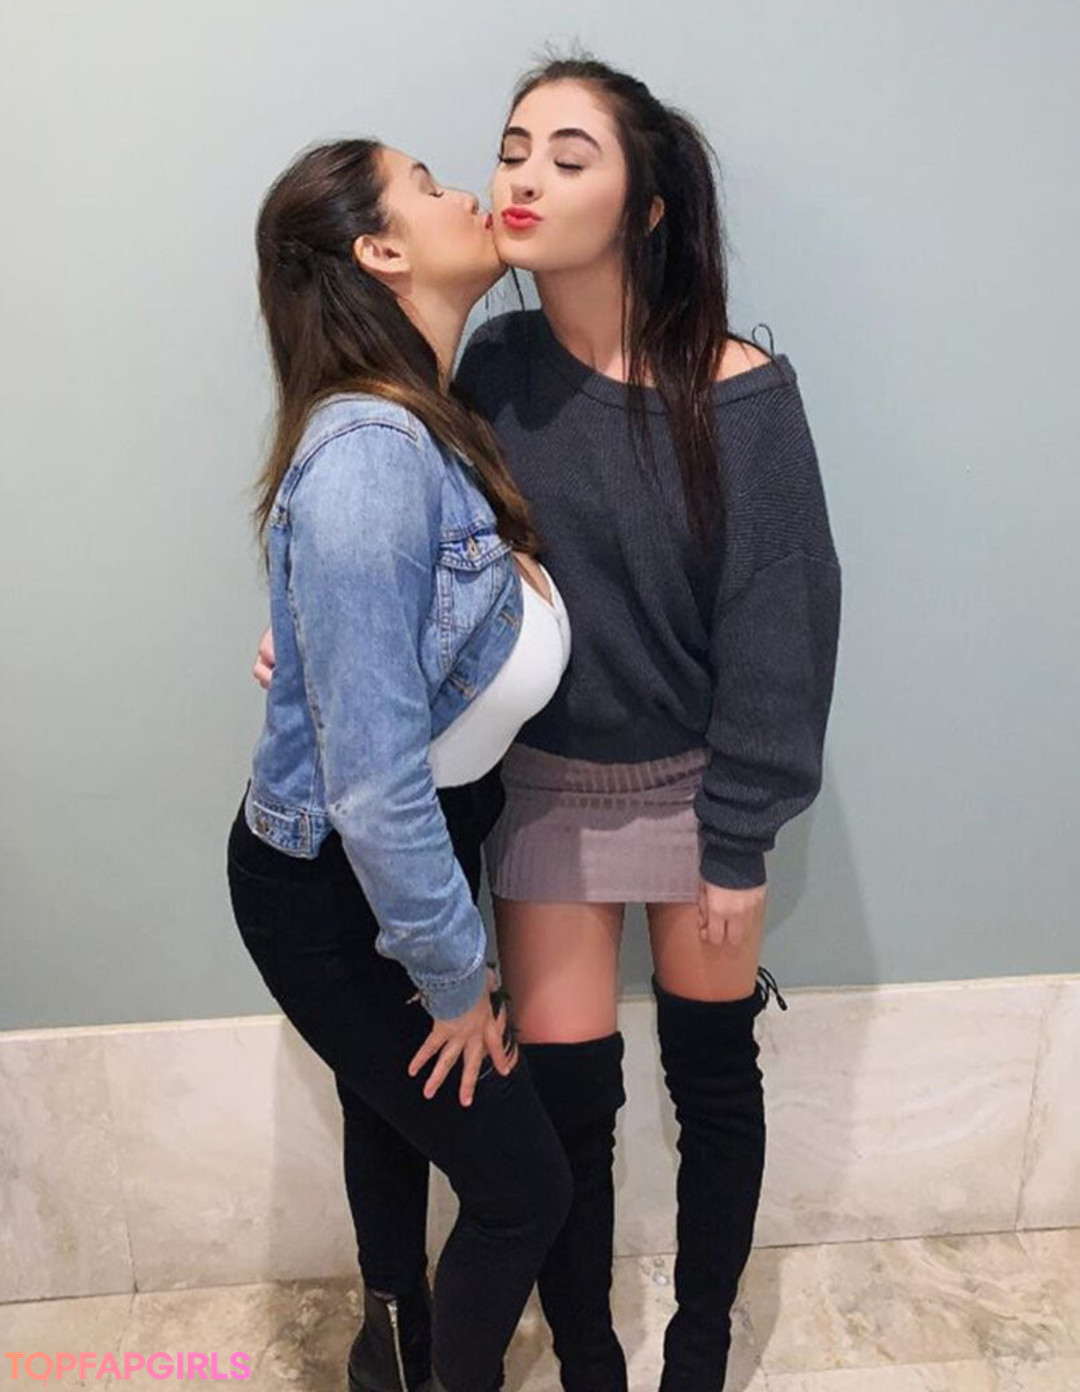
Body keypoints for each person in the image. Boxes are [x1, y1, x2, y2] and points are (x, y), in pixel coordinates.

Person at [254, 56, 841, 1392]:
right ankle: (589, 1361)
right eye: (514, 149)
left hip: (701, 789)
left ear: (645, 208)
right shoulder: (492, 370)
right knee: (567, 1113)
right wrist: (310, 641)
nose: (521, 178)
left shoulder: (743, 394)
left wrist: (739, 839)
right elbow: (405, 553)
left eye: (569, 159)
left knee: (712, 1078)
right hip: (553, 789)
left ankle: (700, 1349)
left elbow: (784, 630)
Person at [228, 136, 574, 1392]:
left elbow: (396, 659)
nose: (469, 192)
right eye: (428, 186)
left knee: (393, 1124)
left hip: (397, 858)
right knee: (524, 1191)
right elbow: (373, 788)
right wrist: (454, 978)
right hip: (341, 889)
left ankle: (393, 1355)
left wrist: (316, 650)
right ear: (380, 251)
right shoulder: (375, 456)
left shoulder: (431, 415)